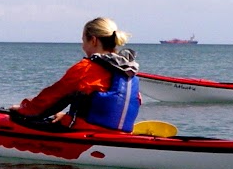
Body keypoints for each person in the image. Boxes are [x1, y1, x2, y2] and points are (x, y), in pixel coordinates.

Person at [13, 17, 141, 132]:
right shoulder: (127, 70)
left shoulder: (86, 69)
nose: (82, 46)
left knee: (17, 119)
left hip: (86, 132)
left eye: (83, 40)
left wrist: (23, 109)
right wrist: (68, 116)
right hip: (119, 133)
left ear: (93, 41)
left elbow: (51, 98)